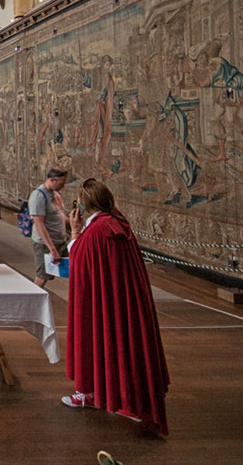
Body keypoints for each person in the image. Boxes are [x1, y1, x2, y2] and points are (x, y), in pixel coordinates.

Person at [62, 179, 169, 437]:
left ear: (85, 206)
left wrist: (75, 231)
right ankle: (119, 395)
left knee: (100, 341)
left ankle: (101, 394)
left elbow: (77, 260)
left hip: (102, 303)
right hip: (123, 300)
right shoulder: (118, 222)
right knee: (123, 345)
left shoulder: (97, 232)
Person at [30, 167, 70, 288]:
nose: (63, 186)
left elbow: (61, 215)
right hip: (45, 244)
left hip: (60, 240)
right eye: (61, 183)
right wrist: (51, 249)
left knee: (71, 269)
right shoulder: (38, 196)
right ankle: (32, 302)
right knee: (42, 277)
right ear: (52, 180)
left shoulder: (56, 194)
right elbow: (39, 223)